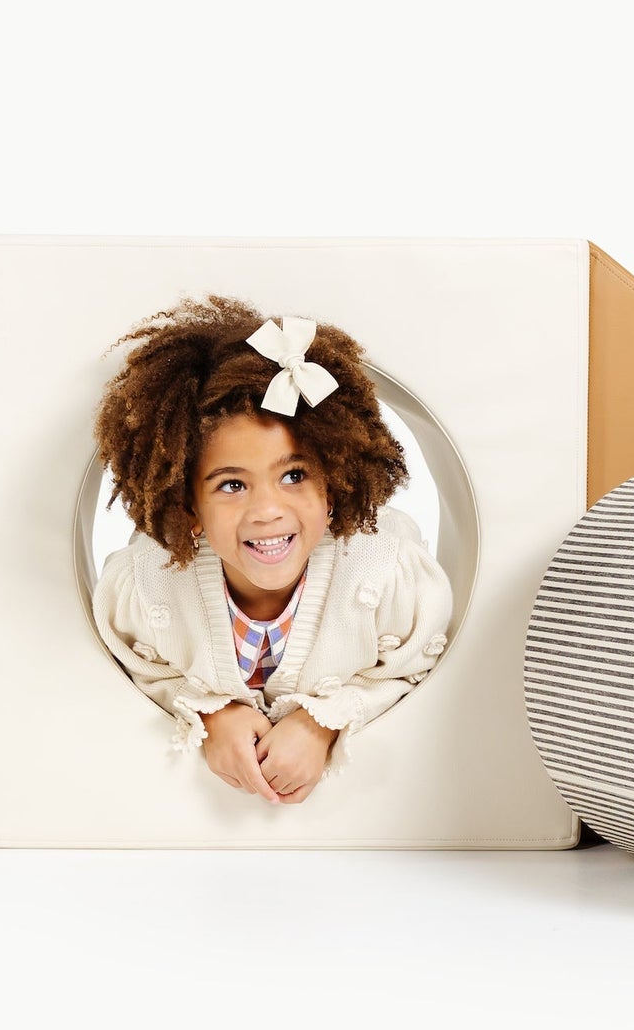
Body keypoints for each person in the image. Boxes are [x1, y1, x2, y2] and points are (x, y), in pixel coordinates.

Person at [91, 293, 453, 806]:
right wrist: (212, 713)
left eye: (294, 476)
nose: (268, 511)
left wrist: (321, 723)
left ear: (335, 484)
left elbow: (412, 669)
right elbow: (138, 670)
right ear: (188, 507)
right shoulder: (149, 587)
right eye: (232, 485)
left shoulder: (383, 570)